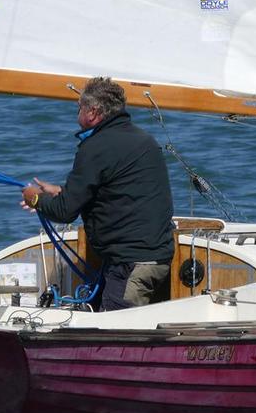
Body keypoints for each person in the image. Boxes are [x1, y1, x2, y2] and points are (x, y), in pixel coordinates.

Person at [20, 76, 175, 311]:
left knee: (114, 330)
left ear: (92, 112)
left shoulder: (96, 147)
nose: (77, 113)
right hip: (156, 257)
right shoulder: (143, 140)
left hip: (131, 264)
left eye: (79, 107)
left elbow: (65, 211)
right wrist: (61, 191)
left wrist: (34, 198)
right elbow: (117, 190)